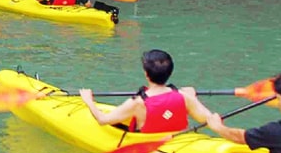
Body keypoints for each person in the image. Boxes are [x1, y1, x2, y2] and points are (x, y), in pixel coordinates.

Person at [79, 49, 213, 133]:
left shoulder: (137, 103)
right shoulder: (184, 97)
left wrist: (89, 101)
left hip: (148, 144)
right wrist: (193, 98)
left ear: (146, 75)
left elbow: (103, 120)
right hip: (178, 139)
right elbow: (209, 119)